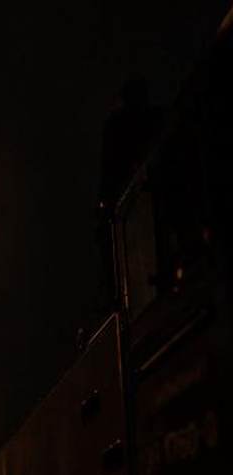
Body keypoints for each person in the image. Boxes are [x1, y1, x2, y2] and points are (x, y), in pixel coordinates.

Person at [97, 78, 164, 312]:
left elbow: (108, 173)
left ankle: (115, 296)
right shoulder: (155, 119)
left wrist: (108, 205)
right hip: (143, 198)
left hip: (138, 200)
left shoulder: (116, 125)